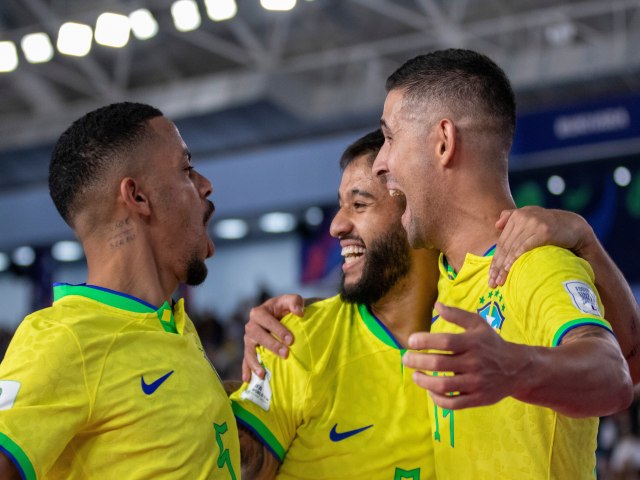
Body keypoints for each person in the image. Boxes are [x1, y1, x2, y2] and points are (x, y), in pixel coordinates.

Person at [370, 48, 634, 478]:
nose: (381, 162)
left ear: (442, 141)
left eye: (390, 137)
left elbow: (614, 376)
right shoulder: (452, 277)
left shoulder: (535, 263)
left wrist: (514, 367)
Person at [0, 102, 240, 479]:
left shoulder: (171, 325)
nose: (205, 184)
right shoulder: (65, 339)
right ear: (138, 197)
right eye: (186, 168)